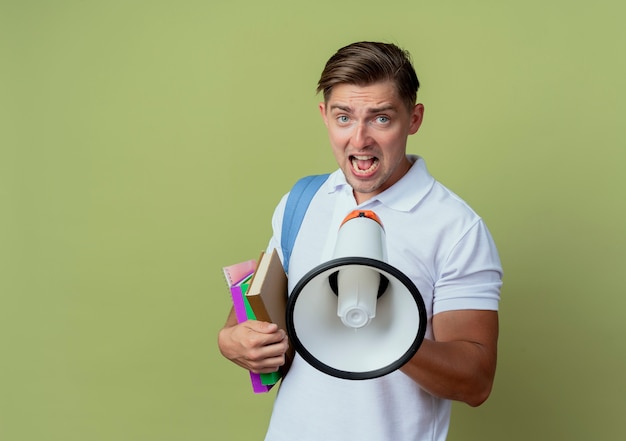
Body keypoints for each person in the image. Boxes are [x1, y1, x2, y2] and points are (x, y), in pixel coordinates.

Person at [217, 41, 503, 441]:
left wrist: (386, 335)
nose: (360, 139)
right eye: (344, 117)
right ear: (325, 116)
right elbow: (261, 304)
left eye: (381, 119)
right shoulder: (302, 201)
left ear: (414, 118)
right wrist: (232, 339)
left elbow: (475, 382)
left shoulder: (456, 228)